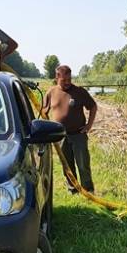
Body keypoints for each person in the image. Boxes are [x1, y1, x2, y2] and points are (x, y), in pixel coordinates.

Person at [41, 65, 97, 193]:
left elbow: (93, 107)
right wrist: (48, 129)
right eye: (64, 80)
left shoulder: (80, 92)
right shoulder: (51, 92)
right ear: (57, 77)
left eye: (69, 79)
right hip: (60, 136)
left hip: (78, 134)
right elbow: (43, 112)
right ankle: (73, 189)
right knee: (67, 165)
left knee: (83, 164)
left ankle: (88, 190)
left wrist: (89, 125)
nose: (67, 83)